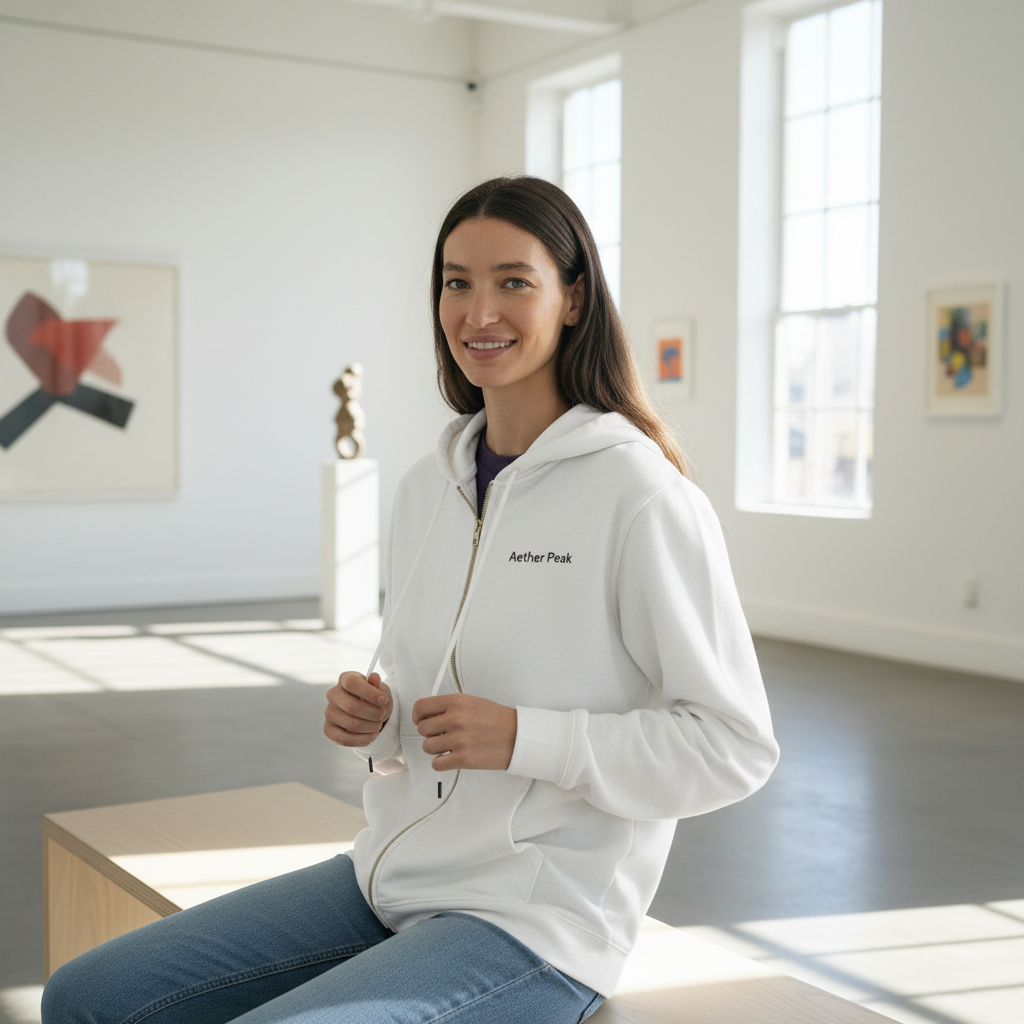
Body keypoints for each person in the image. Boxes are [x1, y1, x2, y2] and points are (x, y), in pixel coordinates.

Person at [42, 177, 778, 1024]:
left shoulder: (639, 495)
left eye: (513, 281)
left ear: (573, 299)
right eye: (456, 282)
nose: (478, 312)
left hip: (537, 920)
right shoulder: (428, 486)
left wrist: (524, 737)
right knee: (85, 997)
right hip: (390, 873)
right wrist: (382, 725)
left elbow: (732, 746)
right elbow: (428, 701)